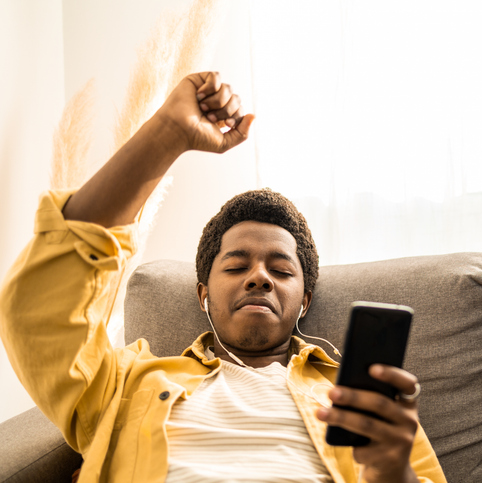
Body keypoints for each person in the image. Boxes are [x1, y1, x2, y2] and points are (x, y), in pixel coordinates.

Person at [0, 72, 446, 483]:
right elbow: (38, 316)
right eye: (236, 266)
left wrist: (393, 471)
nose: (259, 278)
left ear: (305, 301)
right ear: (203, 295)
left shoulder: (361, 401)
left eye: (281, 270)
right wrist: (167, 136)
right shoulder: (128, 383)